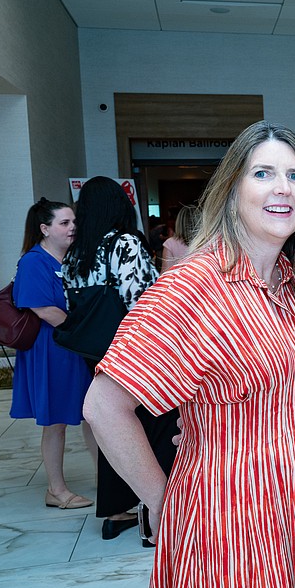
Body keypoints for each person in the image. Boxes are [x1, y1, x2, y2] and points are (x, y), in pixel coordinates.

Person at [82, 122, 295, 588]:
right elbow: (103, 406)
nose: (282, 188)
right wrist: (165, 505)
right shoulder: (195, 286)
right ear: (232, 189)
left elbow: (294, 396)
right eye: (264, 173)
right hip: (226, 520)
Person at [62, 176, 175, 542]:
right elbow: (142, 301)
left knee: (115, 429)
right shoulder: (125, 244)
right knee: (155, 425)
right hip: (133, 352)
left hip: (94, 352)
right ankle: (157, 509)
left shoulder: (76, 252)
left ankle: (115, 511)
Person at [11, 198, 96, 509]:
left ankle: (107, 476)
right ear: (44, 229)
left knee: (93, 414)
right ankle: (56, 490)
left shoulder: (72, 259)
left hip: (74, 346)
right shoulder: (34, 262)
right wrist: (82, 331)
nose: (72, 227)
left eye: (74, 221)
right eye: (64, 223)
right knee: (56, 421)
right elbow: (43, 309)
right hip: (52, 349)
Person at [160, 204, 198, 273]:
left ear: (179, 222)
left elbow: (166, 273)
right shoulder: (208, 242)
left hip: (179, 282)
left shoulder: (170, 243)